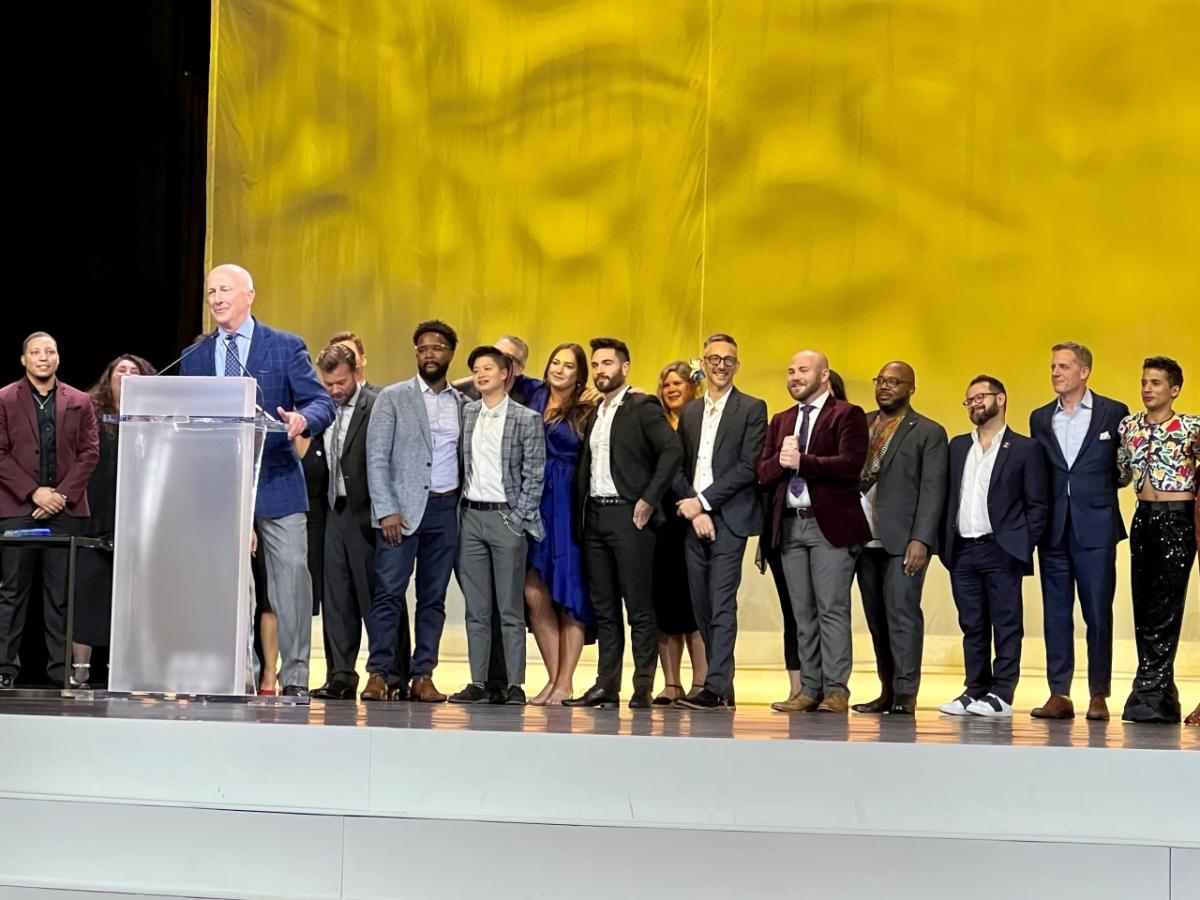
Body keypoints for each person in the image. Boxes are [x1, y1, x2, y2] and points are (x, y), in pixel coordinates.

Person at [180, 264, 336, 697]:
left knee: (291, 580)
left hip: (277, 479)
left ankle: (296, 676)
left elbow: (321, 402)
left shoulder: (284, 346)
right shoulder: (194, 356)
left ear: (249, 295)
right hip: (219, 485)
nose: (216, 298)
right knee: (228, 585)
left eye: (224, 290)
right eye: (210, 291)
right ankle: (239, 675)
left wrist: (302, 420)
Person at [565, 338, 682, 709]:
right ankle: (606, 685)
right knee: (604, 607)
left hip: (630, 516)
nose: (601, 370)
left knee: (639, 606)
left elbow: (672, 450)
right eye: (596, 364)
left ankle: (643, 686)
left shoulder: (642, 405)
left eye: (608, 363)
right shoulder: (595, 412)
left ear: (625, 367)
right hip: (595, 516)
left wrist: (648, 498)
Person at [757, 351, 869, 714]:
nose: (794, 377)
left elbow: (851, 464)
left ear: (824, 375)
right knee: (801, 612)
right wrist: (781, 462)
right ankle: (809, 687)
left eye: (803, 370)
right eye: (790, 371)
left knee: (831, 609)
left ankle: (835, 689)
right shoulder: (782, 420)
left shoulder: (847, 414)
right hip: (790, 525)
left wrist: (803, 462)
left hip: (828, 526)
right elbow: (763, 471)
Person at [1028, 342, 1131, 721]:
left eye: (1064, 366)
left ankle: (1098, 694)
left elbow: (1122, 468)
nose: (1056, 372)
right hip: (1053, 530)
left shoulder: (1113, 412)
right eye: (1053, 366)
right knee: (1056, 614)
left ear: (1084, 371)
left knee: (1098, 613)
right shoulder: (1040, 418)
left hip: (1097, 527)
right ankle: (1059, 693)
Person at [364, 321, 465, 702]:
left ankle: (423, 675)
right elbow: (376, 457)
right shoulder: (393, 397)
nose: (429, 354)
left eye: (437, 348)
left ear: (450, 353)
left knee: (433, 598)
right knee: (388, 593)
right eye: (422, 348)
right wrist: (386, 510)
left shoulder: (462, 404)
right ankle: (379, 674)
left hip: (445, 509)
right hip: (400, 514)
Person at [938, 375, 1047, 718]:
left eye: (979, 397)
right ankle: (975, 688)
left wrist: (1021, 543)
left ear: (1000, 398)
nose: (974, 404)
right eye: (969, 400)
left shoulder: (1025, 448)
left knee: (1006, 623)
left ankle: (1002, 692)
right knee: (972, 623)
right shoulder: (958, 446)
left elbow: (1038, 505)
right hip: (963, 549)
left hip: (1001, 548)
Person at [0, 333, 100, 688]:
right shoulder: (4, 398)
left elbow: (90, 452)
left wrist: (61, 495)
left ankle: (60, 671)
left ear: (58, 358)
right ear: (24, 359)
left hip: (65, 509)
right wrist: (34, 492)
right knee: (12, 592)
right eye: (35, 352)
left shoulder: (80, 400)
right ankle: (5, 669)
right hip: (18, 507)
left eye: (49, 351)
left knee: (61, 595)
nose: (43, 357)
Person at [672, 335, 767, 710]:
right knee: (701, 606)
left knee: (722, 602)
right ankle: (721, 684)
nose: (721, 366)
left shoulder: (752, 408)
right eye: (714, 359)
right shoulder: (691, 412)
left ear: (737, 366)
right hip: (693, 520)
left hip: (730, 518)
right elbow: (678, 465)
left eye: (728, 360)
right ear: (703, 363)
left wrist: (704, 503)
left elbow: (748, 466)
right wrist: (694, 510)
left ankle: (714, 686)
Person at [449, 346, 546, 705]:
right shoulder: (467, 412)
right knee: (476, 609)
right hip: (470, 517)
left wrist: (519, 518)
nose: (480, 374)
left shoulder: (525, 418)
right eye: (476, 369)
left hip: (507, 518)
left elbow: (535, 475)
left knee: (509, 608)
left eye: (488, 368)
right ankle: (478, 681)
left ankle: (514, 684)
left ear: (506, 373)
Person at [851, 362, 947, 715]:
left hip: (903, 541)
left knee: (902, 615)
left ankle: (906, 693)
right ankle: (887, 690)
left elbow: (933, 490)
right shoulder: (861, 423)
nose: (885, 386)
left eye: (894, 381)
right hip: (862, 539)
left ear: (911, 388)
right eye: (880, 380)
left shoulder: (928, 431)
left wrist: (921, 539)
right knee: (876, 620)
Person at [1116, 356, 1198, 724]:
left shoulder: (1191, 427)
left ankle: (1149, 690)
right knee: (1143, 603)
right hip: (1143, 517)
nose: (1147, 389)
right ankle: (1161, 693)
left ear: (1174, 389)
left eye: (1156, 383)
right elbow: (1120, 473)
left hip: (1177, 519)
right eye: (1144, 382)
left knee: (1165, 606)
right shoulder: (1129, 425)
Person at [70, 354, 156, 688]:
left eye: (135, 371)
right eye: (121, 369)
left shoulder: (155, 418)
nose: (128, 374)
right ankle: (81, 668)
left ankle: (127, 668)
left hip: (138, 517)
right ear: (109, 377)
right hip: (94, 512)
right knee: (87, 591)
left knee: (135, 597)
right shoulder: (87, 412)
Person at [524, 343, 596, 705]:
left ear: (579, 374)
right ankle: (553, 678)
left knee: (569, 591)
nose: (559, 369)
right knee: (534, 592)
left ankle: (566, 681)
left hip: (568, 501)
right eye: (555, 362)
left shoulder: (588, 406)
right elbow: (494, 370)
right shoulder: (533, 394)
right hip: (535, 498)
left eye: (568, 366)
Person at [310, 343, 379, 700]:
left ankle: (386, 673)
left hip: (367, 513)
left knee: (376, 597)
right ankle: (340, 675)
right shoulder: (322, 409)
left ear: (356, 373)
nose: (335, 390)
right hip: (332, 511)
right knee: (336, 598)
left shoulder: (377, 404)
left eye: (341, 382)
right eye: (329, 384)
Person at [651, 361, 706, 704]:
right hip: (661, 525)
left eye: (677, 384)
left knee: (693, 605)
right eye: (666, 384)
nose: (671, 389)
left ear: (692, 387)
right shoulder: (655, 424)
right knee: (664, 605)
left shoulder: (700, 423)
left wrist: (696, 505)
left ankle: (702, 682)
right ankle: (671, 683)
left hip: (695, 518)